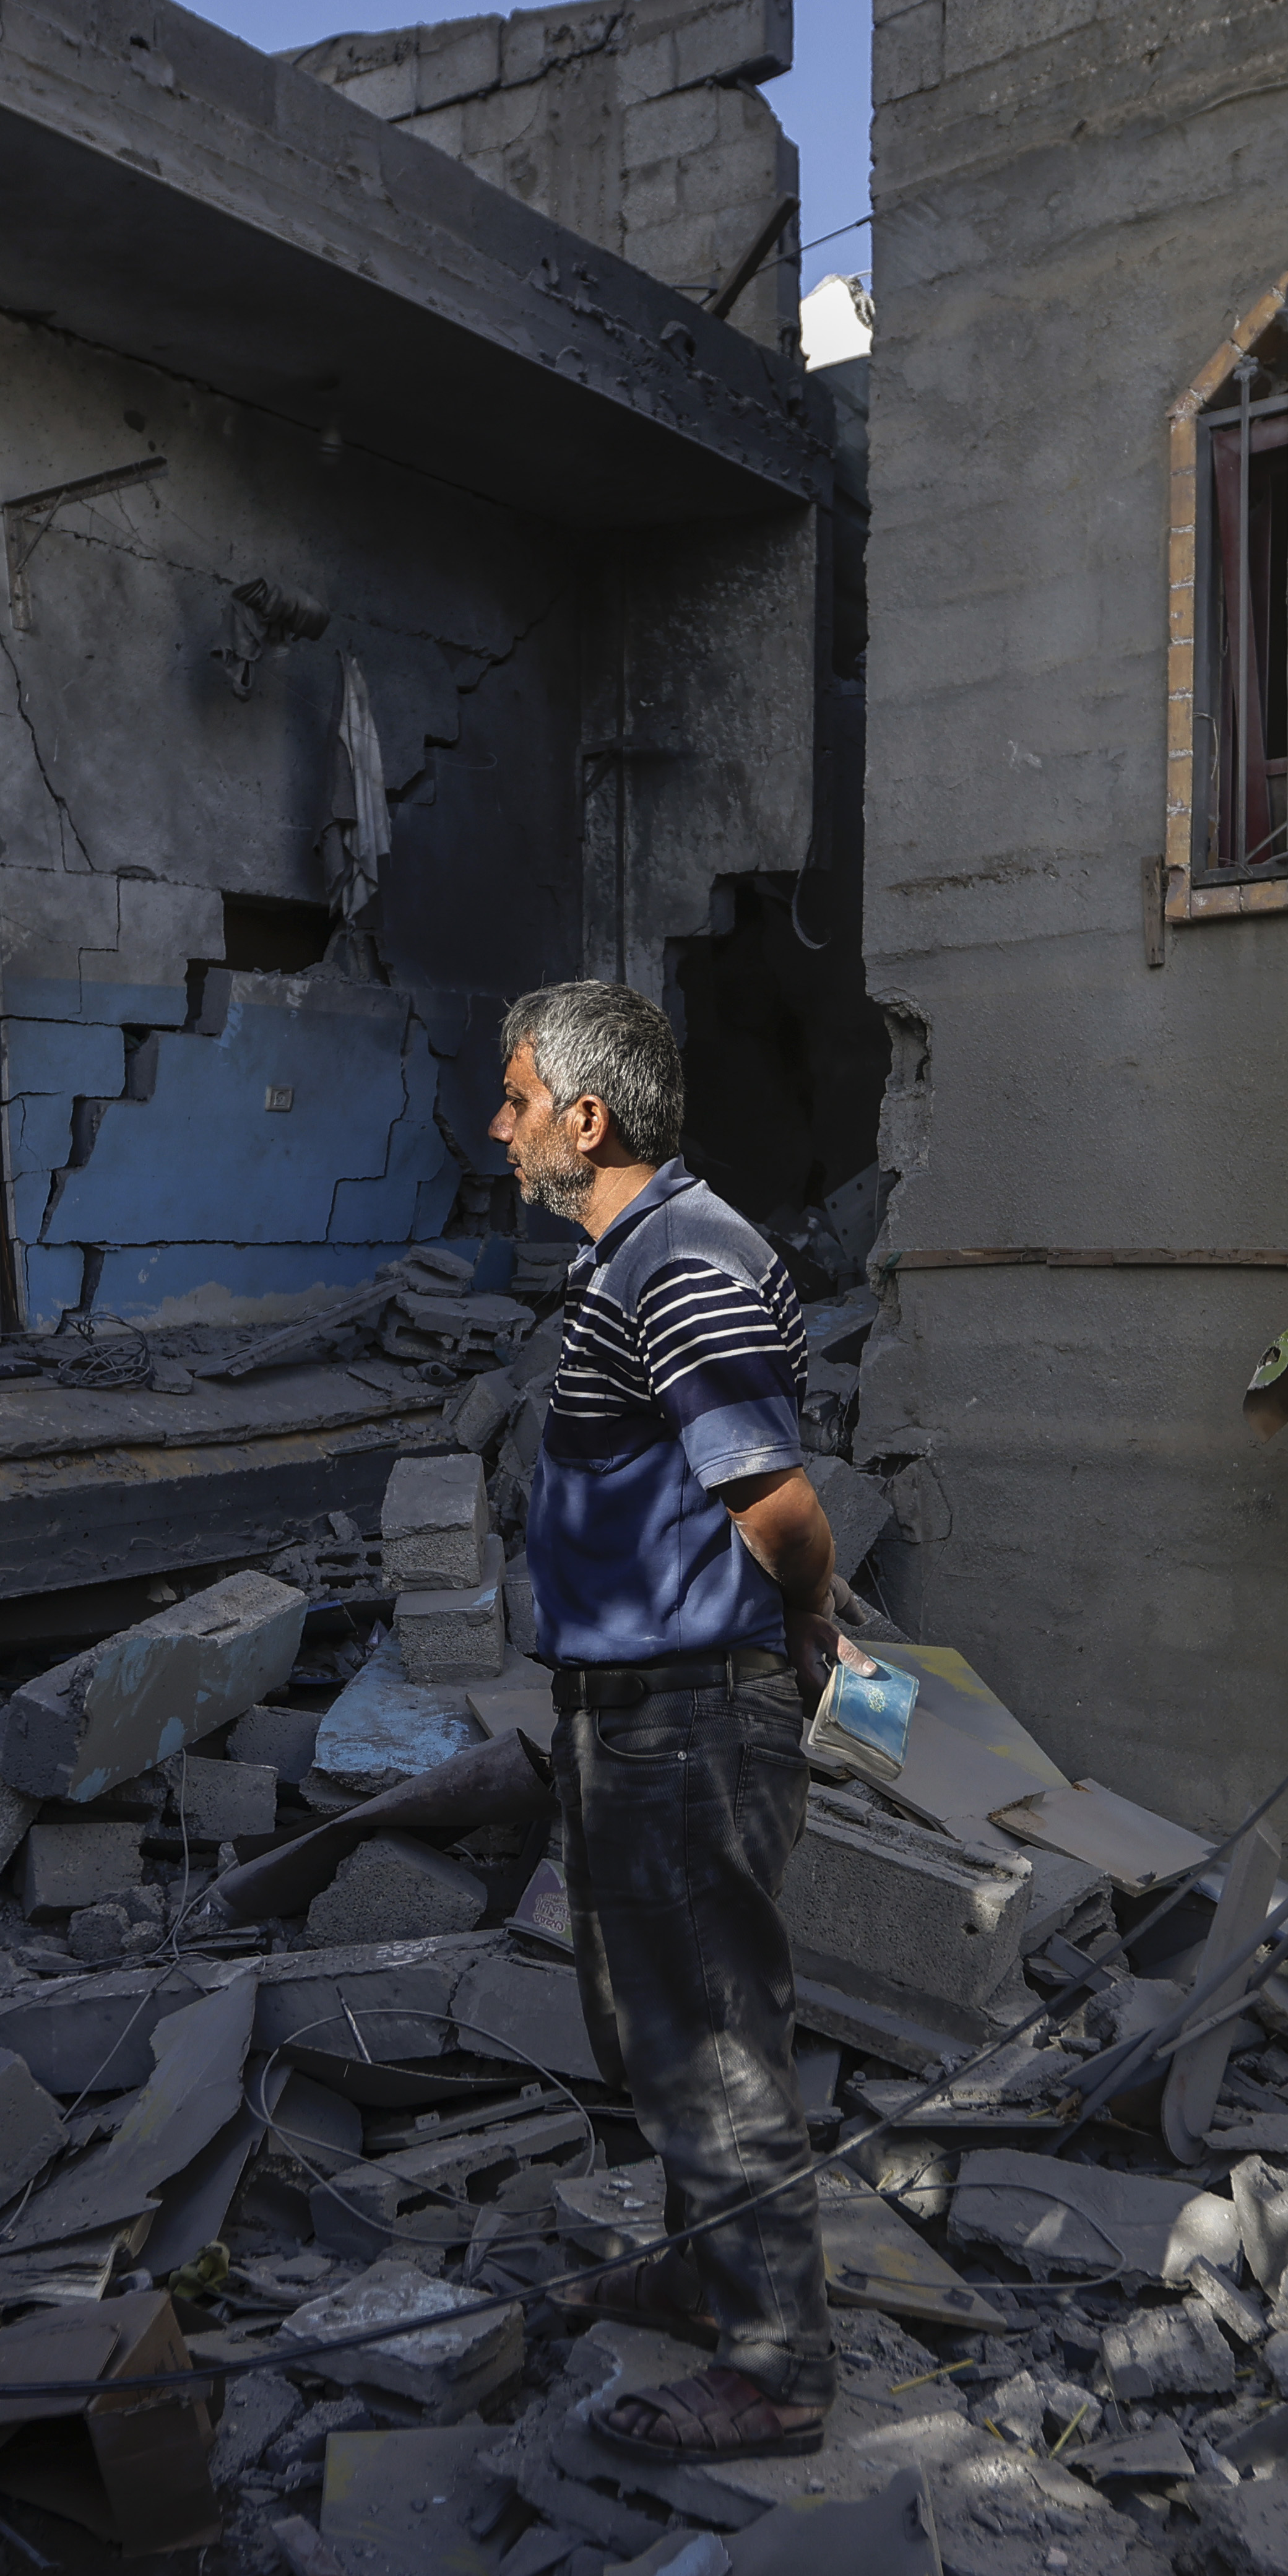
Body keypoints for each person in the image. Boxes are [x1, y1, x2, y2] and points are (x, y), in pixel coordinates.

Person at [486, 979, 844, 2463]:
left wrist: (806, 1617)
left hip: (686, 1715)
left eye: (514, 1101)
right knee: (674, 2026)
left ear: (587, 1118)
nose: (497, 1128)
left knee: (706, 2038)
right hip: (641, 1710)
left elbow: (772, 1496)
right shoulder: (644, 1254)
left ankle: (775, 2362)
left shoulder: (678, 1259)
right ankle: (709, 2277)